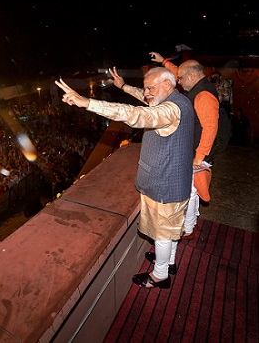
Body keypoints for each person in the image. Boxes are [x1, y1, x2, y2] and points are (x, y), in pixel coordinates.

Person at [56, 66, 194, 289]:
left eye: (150, 87)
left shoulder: (170, 110)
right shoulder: (179, 99)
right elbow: (145, 99)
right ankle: (167, 263)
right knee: (168, 230)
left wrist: (87, 103)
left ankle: (160, 276)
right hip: (173, 180)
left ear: (167, 85)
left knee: (162, 233)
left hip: (165, 183)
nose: (146, 92)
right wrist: (124, 87)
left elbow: (135, 114)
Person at [150, 52, 220, 240]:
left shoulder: (203, 95)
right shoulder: (199, 84)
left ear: (190, 76)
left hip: (197, 154)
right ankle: (191, 224)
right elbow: (182, 70)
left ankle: (188, 229)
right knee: (194, 190)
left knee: (189, 191)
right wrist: (164, 62)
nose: (179, 82)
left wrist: (199, 156)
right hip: (196, 152)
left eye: (180, 79)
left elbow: (210, 128)